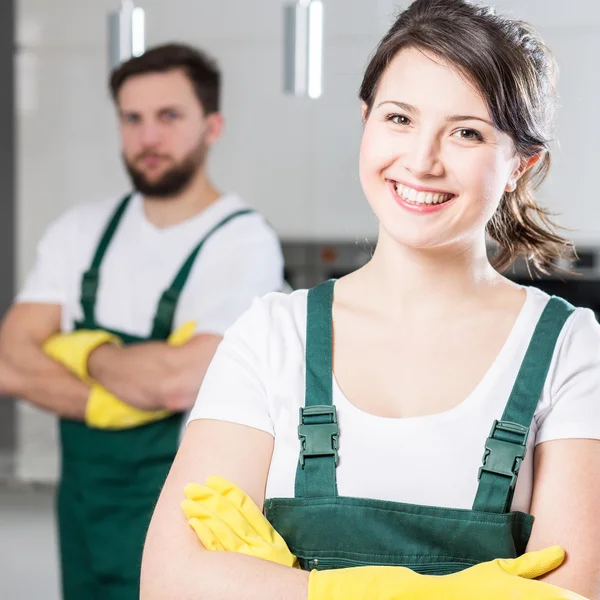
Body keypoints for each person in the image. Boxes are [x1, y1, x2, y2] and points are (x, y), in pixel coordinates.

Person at [140, 1, 600, 599]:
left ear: (521, 164)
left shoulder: (568, 347)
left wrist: (283, 586)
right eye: (400, 118)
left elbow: (574, 592)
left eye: (467, 132)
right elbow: (171, 582)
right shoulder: (273, 335)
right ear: (366, 121)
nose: (421, 160)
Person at [0, 43, 284, 600]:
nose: (148, 137)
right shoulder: (79, 230)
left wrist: (79, 348)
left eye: (169, 116)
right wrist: (116, 395)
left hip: (184, 518)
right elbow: (9, 362)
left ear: (213, 125)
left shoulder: (242, 241)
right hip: (86, 509)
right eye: (132, 118)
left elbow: (176, 380)